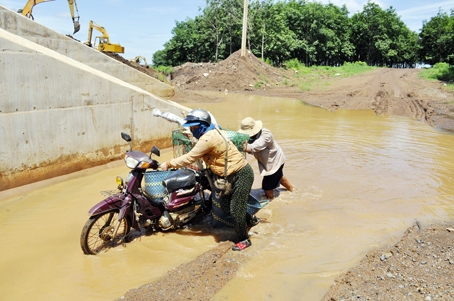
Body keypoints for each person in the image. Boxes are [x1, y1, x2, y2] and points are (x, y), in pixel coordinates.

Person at [160, 108, 254, 251]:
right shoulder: (213, 131)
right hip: (230, 175)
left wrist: (168, 164)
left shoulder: (207, 139)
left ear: (203, 126)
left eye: (194, 127)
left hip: (242, 173)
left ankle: (244, 239)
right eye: (190, 127)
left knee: (235, 210)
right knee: (226, 205)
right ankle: (250, 220)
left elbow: (189, 158)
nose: (191, 130)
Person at [238, 117, 293, 200]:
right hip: (268, 161)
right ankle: (291, 190)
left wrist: (237, 145)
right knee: (279, 177)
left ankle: (271, 200)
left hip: (275, 161)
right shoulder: (251, 136)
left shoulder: (266, 135)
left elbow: (254, 147)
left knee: (267, 187)